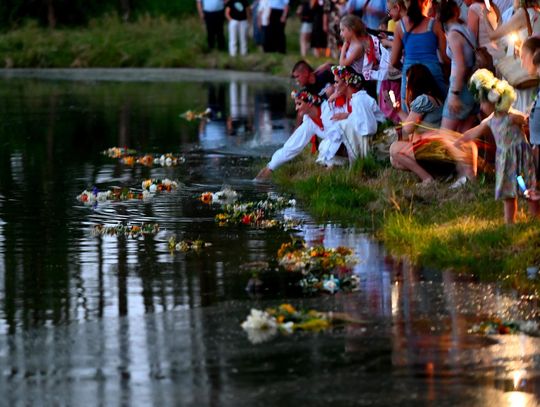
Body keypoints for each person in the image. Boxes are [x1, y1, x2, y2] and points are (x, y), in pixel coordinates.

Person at [455, 69, 539, 224]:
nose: (481, 107)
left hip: (520, 157)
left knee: (527, 187)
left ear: (495, 100)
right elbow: (474, 133)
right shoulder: (490, 121)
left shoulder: (512, 116)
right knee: (508, 194)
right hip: (505, 161)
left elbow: (528, 121)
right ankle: (509, 222)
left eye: (483, 102)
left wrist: (526, 118)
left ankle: (535, 217)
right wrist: (459, 140)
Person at [389, 0, 449, 109]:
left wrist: (403, 68)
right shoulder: (434, 24)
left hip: (410, 75)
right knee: (440, 108)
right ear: (426, 2)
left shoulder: (400, 26)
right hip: (433, 72)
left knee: (410, 114)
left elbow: (393, 61)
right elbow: (445, 57)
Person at [255, 89, 325, 180]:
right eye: (296, 104)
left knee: (325, 146)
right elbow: (291, 147)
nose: (296, 108)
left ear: (310, 103)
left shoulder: (328, 110)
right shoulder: (309, 122)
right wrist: (270, 167)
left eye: (299, 104)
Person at [327, 65, 387, 161]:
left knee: (344, 125)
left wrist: (365, 156)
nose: (334, 85)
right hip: (372, 139)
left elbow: (368, 129)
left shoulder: (359, 99)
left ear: (346, 82)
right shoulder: (354, 98)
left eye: (337, 82)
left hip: (379, 140)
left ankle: (361, 160)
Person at [439, 0, 478, 133]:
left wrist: (454, 94)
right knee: (463, 138)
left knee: (445, 136)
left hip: (460, 89)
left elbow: (460, 66)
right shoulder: (466, 30)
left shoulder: (453, 35)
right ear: (457, 12)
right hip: (473, 87)